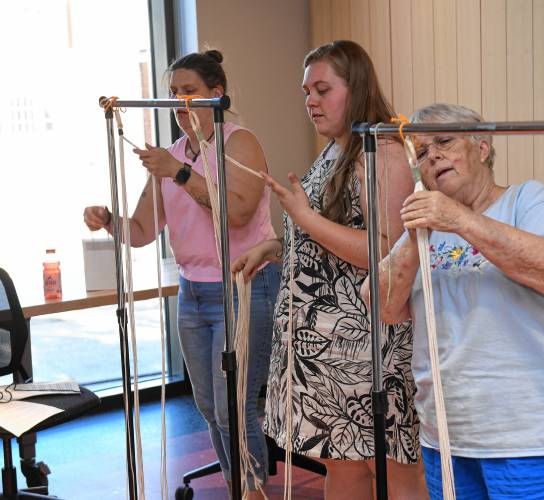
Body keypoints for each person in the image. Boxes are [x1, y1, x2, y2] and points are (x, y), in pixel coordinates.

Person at [363, 103, 544, 499]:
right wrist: (415, 233)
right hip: (450, 438)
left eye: (444, 141)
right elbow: (382, 306)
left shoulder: (527, 200)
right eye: (422, 153)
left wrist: (459, 219)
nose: (433, 156)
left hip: (542, 438)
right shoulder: (426, 231)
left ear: (481, 148)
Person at [232, 40, 427, 499]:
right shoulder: (340, 148)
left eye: (322, 89)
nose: (310, 102)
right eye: (306, 92)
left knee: (394, 472)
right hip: (330, 357)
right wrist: (277, 246)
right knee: (344, 468)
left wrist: (304, 220)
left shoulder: (382, 153)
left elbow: (388, 251)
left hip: (366, 352)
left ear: (355, 88)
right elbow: (333, 242)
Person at [83, 50, 280, 499]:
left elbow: (239, 210)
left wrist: (179, 173)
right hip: (193, 292)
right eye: (174, 93)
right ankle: (239, 489)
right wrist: (108, 219)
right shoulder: (169, 157)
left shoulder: (239, 141)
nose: (179, 102)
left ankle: (254, 491)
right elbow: (139, 231)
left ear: (217, 94)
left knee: (234, 408)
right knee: (210, 407)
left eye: (189, 91)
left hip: (244, 288)